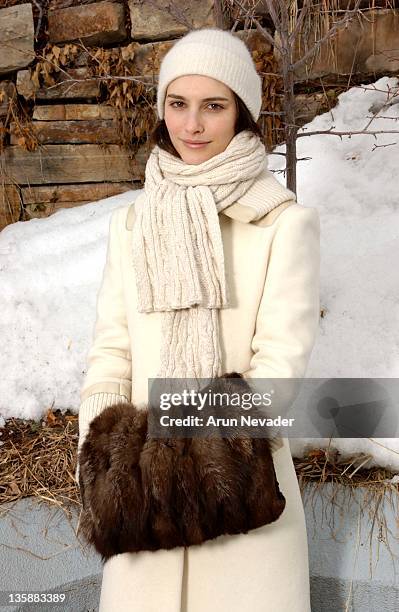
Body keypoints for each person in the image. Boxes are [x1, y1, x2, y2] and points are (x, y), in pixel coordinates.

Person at [76, 27, 320, 612]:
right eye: (178, 104)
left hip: (241, 504)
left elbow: (278, 372)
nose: (192, 125)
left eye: (213, 106)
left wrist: (188, 458)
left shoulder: (283, 225)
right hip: (143, 521)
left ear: (241, 114)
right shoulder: (132, 225)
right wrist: (106, 461)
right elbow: (112, 354)